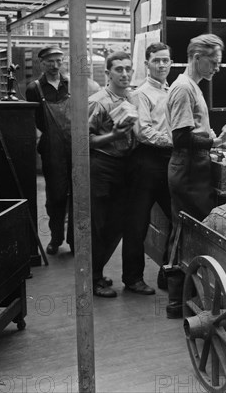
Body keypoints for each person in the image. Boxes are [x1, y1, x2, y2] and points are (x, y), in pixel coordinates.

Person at [165, 34, 226, 318]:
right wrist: (216, 142)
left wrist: (214, 139)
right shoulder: (184, 88)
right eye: (214, 62)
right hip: (188, 170)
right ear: (197, 58)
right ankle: (177, 303)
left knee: (186, 230)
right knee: (185, 231)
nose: (217, 68)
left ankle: (183, 298)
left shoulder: (192, 86)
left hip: (193, 167)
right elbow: (181, 138)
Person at [121, 42, 173, 295]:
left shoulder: (171, 90)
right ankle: (132, 278)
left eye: (166, 60)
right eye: (157, 61)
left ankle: (168, 273)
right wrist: (176, 141)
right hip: (145, 162)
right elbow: (143, 133)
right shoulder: (141, 94)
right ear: (147, 64)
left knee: (177, 218)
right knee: (137, 223)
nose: (162, 65)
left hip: (167, 162)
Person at [88, 51, 137, 298]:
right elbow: (83, 140)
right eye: (119, 69)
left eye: (128, 69)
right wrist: (113, 136)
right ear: (108, 73)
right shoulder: (98, 101)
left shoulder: (131, 98)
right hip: (102, 166)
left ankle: (96, 272)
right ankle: (93, 278)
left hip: (124, 167)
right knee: (99, 225)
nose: (125, 74)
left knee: (117, 224)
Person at [26, 45, 73, 256]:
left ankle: (74, 239)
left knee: (78, 194)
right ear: (41, 63)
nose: (55, 66)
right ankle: (56, 238)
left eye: (58, 61)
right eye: (50, 62)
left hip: (74, 146)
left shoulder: (71, 84)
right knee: (56, 195)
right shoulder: (34, 88)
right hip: (51, 149)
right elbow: (35, 121)